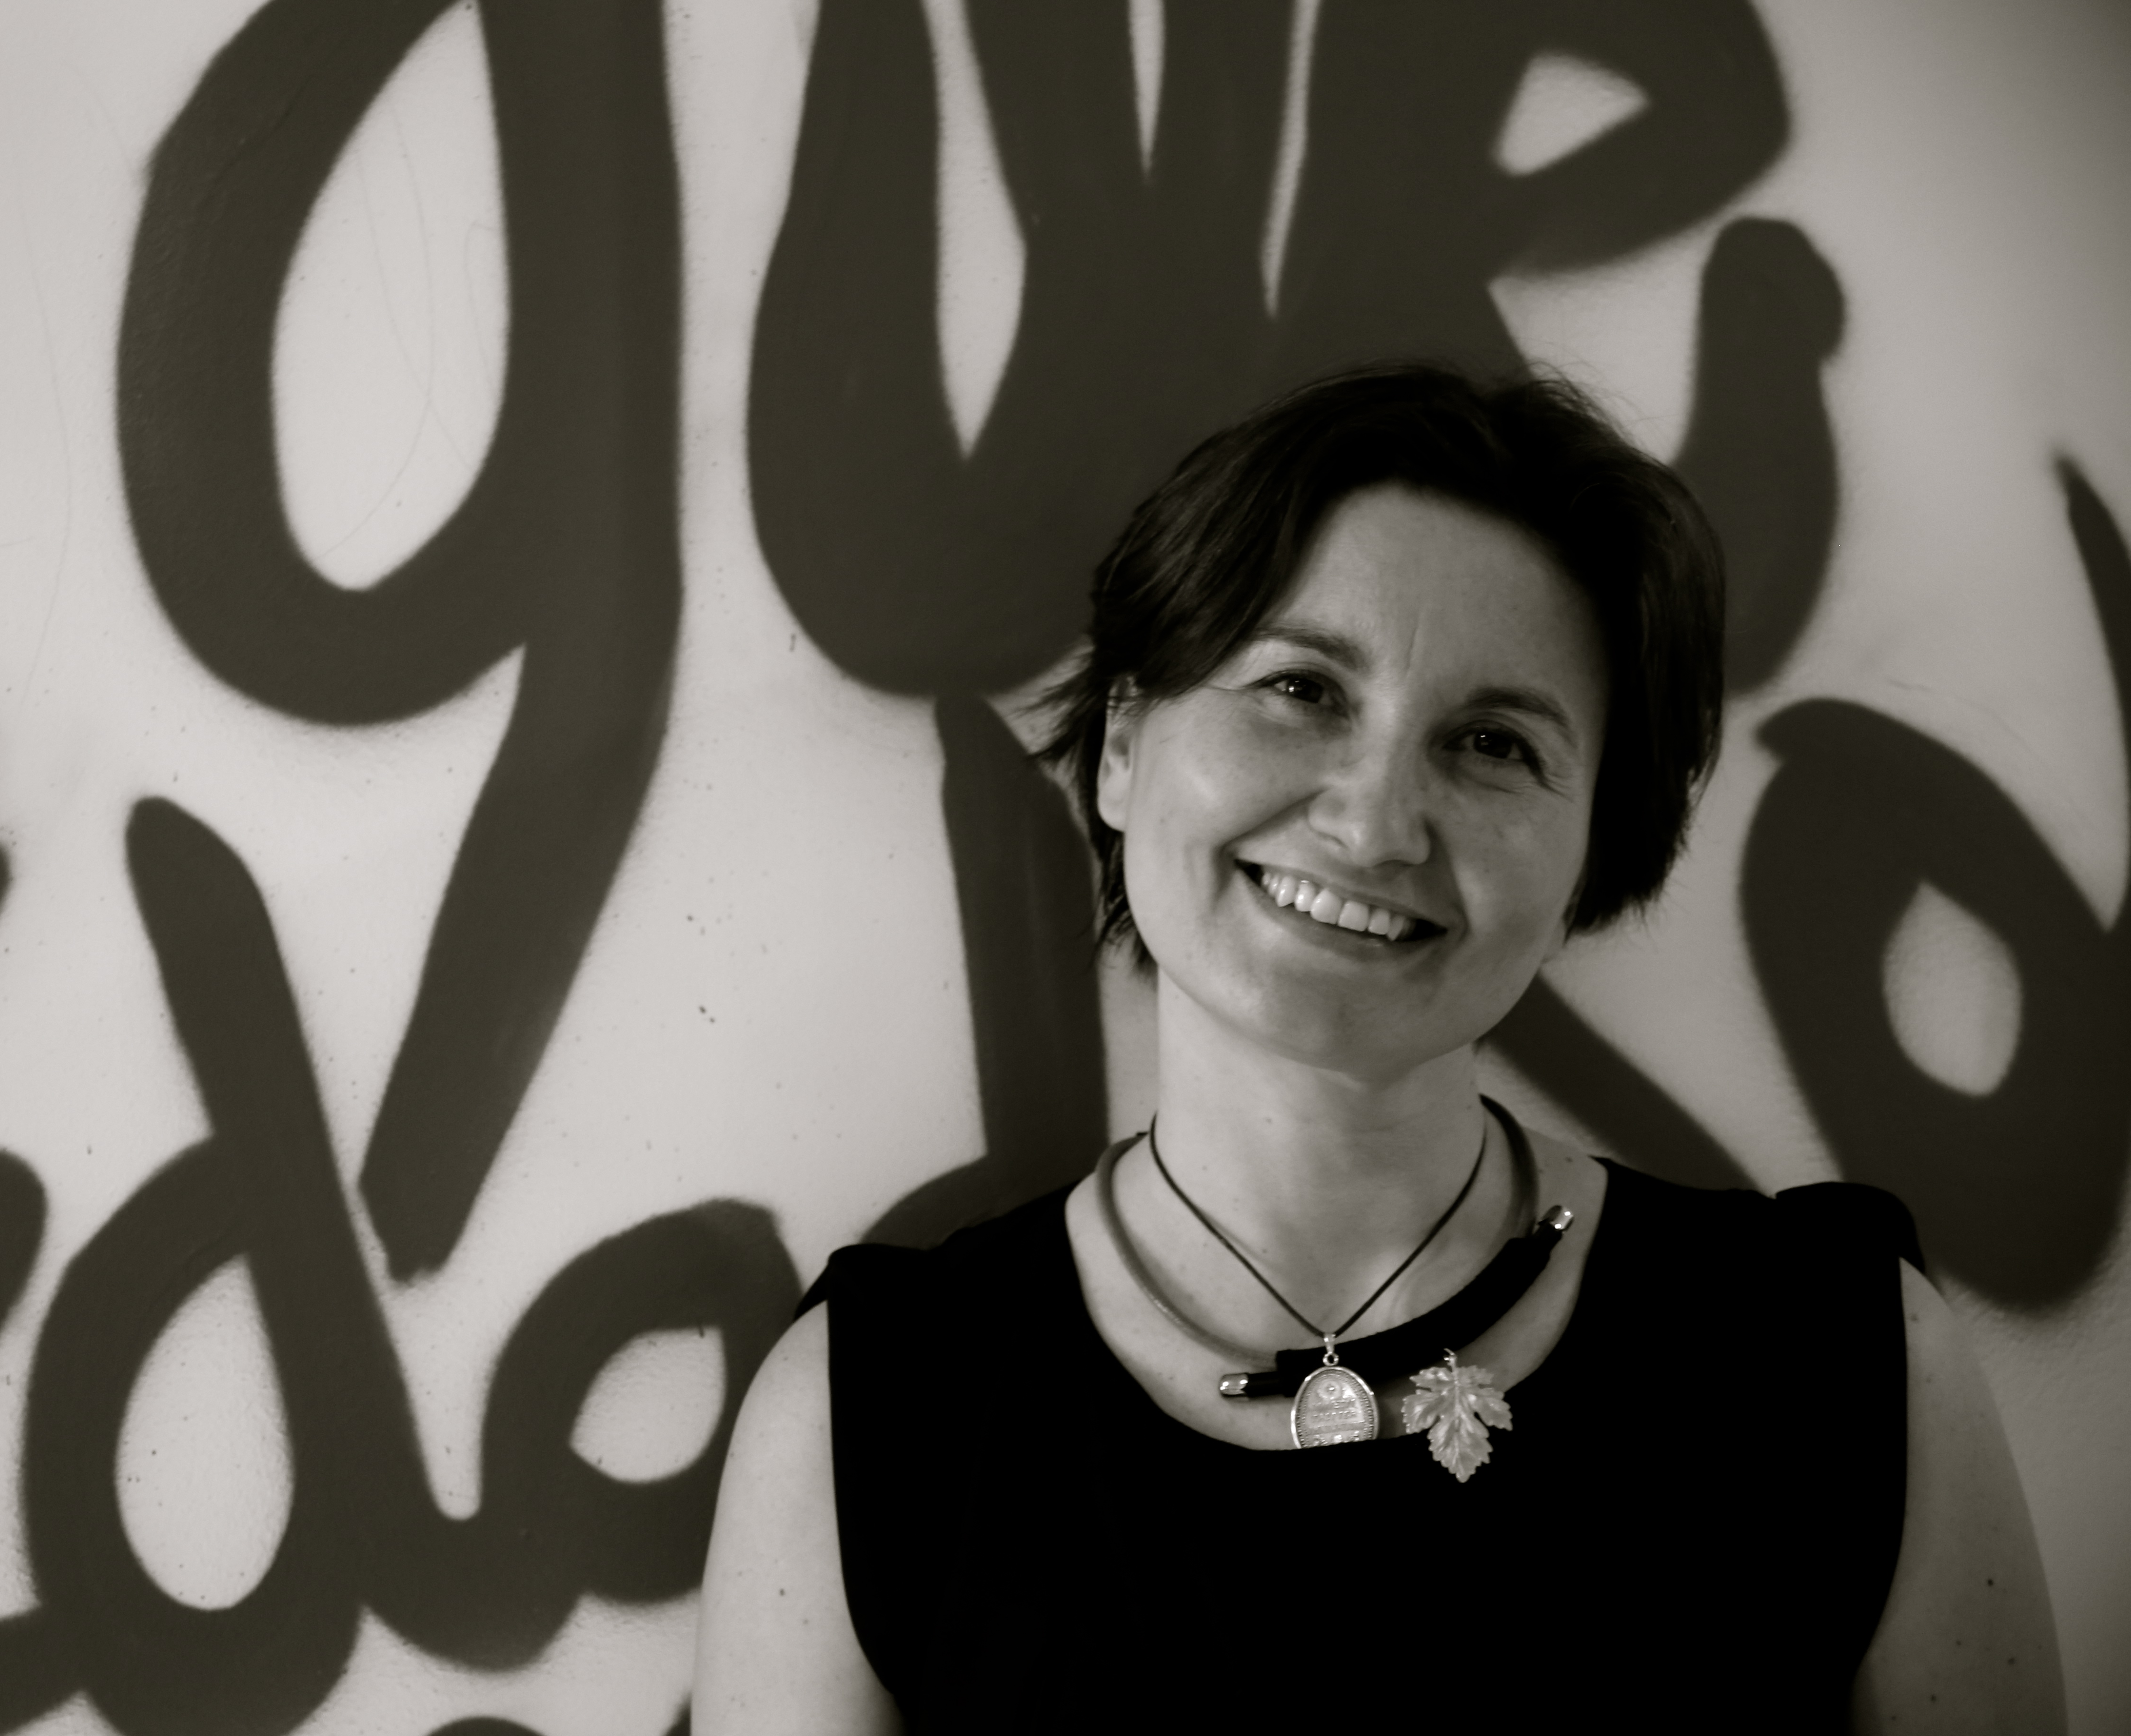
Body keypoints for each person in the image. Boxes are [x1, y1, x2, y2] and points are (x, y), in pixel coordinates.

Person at [694, 365, 2064, 1733]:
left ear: (1591, 858)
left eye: (1493, 744)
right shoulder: (873, 1415)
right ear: (1122, 742)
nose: (1375, 825)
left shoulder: (1841, 1358)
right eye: (1301, 687)